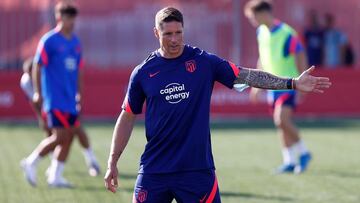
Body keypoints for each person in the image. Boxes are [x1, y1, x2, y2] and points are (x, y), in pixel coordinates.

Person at [104, 6, 330, 202]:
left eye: (178, 33)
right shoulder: (143, 72)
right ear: (156, 33)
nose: (174, 39)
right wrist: (112, 161)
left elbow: (247, 76)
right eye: (167, 34)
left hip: (197, 171)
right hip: (155, 170)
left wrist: (292, 83)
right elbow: (127, 115)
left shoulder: (203, 62)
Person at [20, 1, 99, 188]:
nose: (71, 21)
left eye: (73, 18)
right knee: (60, 135)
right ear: (59, 18)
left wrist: (80, 95)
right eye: (68, 17)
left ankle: (55, 176)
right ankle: (31, 162)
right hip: (54, 99)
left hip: (70, 99)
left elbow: (79, 71)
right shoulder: (49, 40)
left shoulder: (76, 43)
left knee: (69, 136)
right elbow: (37, 66)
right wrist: (39, 92)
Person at [244, 0, 313, 174]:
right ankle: (289, 161)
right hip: (271, 86)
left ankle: (304, 152)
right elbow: (263, 58)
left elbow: (301, 54)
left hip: (289, 84)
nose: (252, 21)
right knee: (281, 124)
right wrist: (257, 84)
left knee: (280, 119)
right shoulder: (261, 32)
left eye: (252, 17)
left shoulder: (286, 33)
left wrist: (301, 82)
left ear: (263, 13)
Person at [20, 57, 101, 178]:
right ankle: (44, 167)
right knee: (60, 135)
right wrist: (41, 118)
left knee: (73, 131)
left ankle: (89, 161)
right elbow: (35, 101)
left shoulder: (50, 73)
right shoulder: (26, 82)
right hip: (53, 106)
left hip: (62, 103)